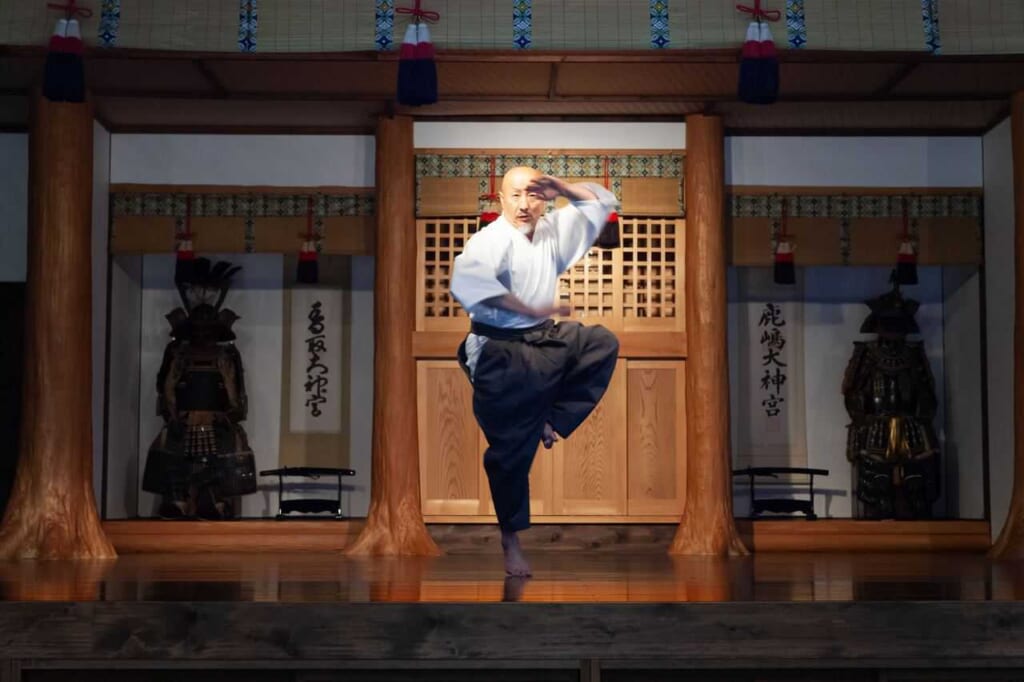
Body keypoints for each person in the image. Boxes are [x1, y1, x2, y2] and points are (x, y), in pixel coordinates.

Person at [450, 166, 620, 577]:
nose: (525, 205)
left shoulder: (550, 230)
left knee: (600, 343)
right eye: (515, 196)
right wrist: (530, 309)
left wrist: (563, 187)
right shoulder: (488, 241)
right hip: (499, 351)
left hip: (543, 339)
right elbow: (469, 287)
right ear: (501, 199)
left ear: (544, 198)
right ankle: (511, 543)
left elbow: (602, 203)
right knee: (509, 455)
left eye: (534, 195)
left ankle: (553, 421)